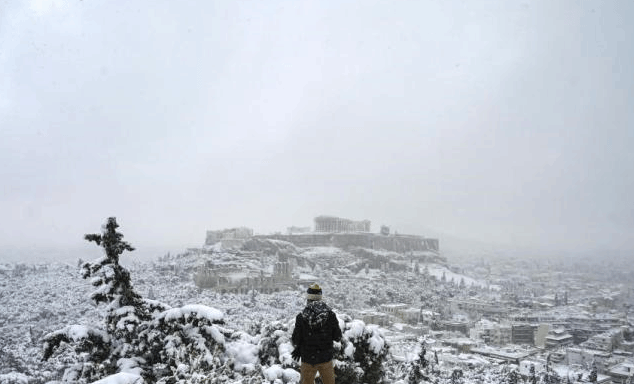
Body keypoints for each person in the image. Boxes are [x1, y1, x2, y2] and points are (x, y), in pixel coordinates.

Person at [291, 283, 342, 384]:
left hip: (308, 359)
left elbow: (296, 339)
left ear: (308, 298)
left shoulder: (301, 317)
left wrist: (299, 348)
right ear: (320, 297)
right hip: (326, 359)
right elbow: (337, 337)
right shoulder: (330, 315)